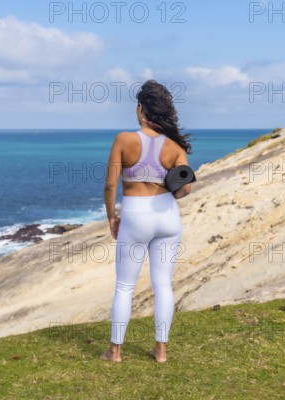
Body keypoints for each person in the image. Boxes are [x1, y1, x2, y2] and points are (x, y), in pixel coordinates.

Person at [100, 80, 194, 363]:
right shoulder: (175, 147)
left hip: (135, 215)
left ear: (141, 109)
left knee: (125, 286)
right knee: (163, 284)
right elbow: (184, 189)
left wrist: (112, 218)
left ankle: (115, 352)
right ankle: (161, 351)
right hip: (167, 216)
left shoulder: (124, 140)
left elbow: (109, 185)